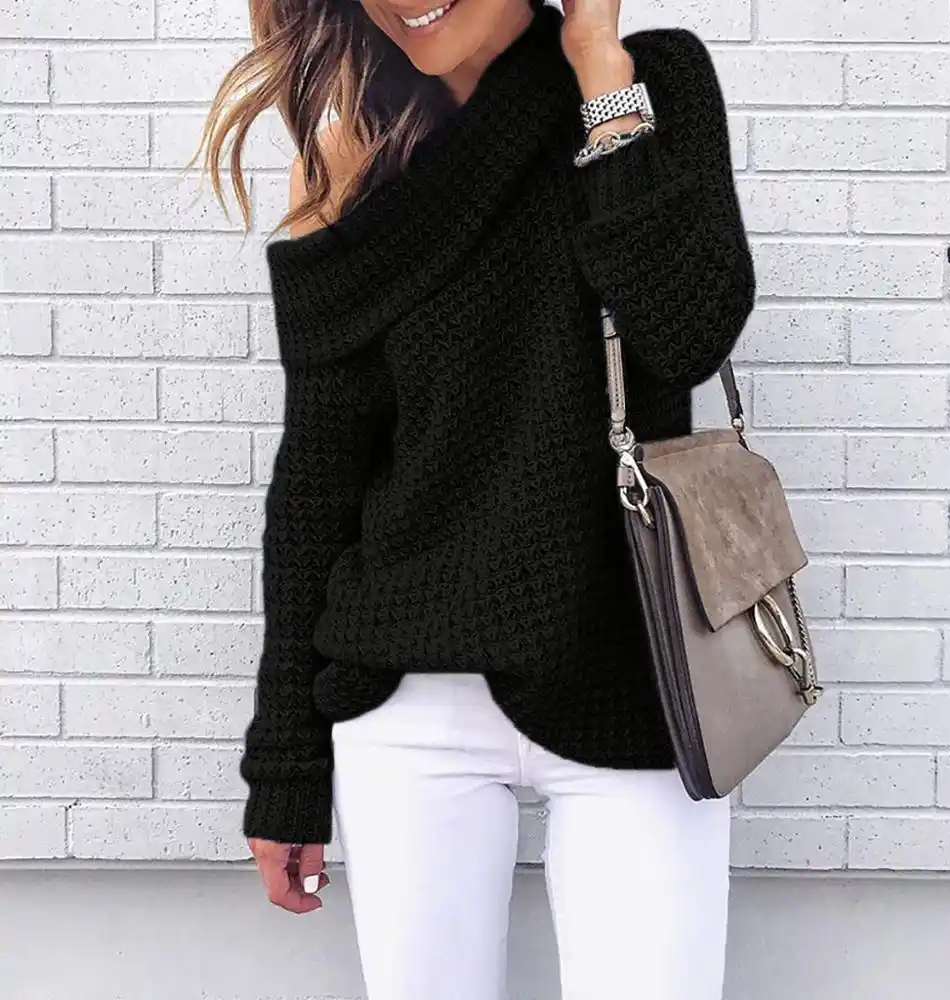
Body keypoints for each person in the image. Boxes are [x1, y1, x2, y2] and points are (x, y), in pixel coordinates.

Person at [196, 0, 755, 997]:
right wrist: (286, 767)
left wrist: (596, 65)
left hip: (634, 681)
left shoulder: (649, 83)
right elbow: (320, 477)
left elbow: (687, 332)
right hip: (409, 701)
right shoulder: (348, 163)